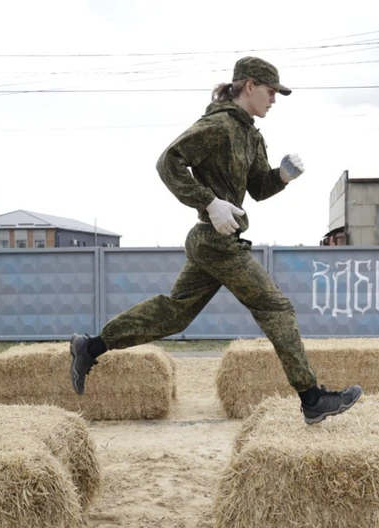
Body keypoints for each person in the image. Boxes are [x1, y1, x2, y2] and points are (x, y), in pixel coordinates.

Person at [70, 56, 362, 424]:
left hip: (215, 239)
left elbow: (257, 188)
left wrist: (282, 177)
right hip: (216, 240)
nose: (274, 99)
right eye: (271, 91)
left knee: (175, 314)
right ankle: (312, 398)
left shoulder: (251, 134)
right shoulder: (218, 125)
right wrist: (207, 201)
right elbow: (168, 161)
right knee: (276, 308)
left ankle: (91, 346)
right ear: (250, 86)